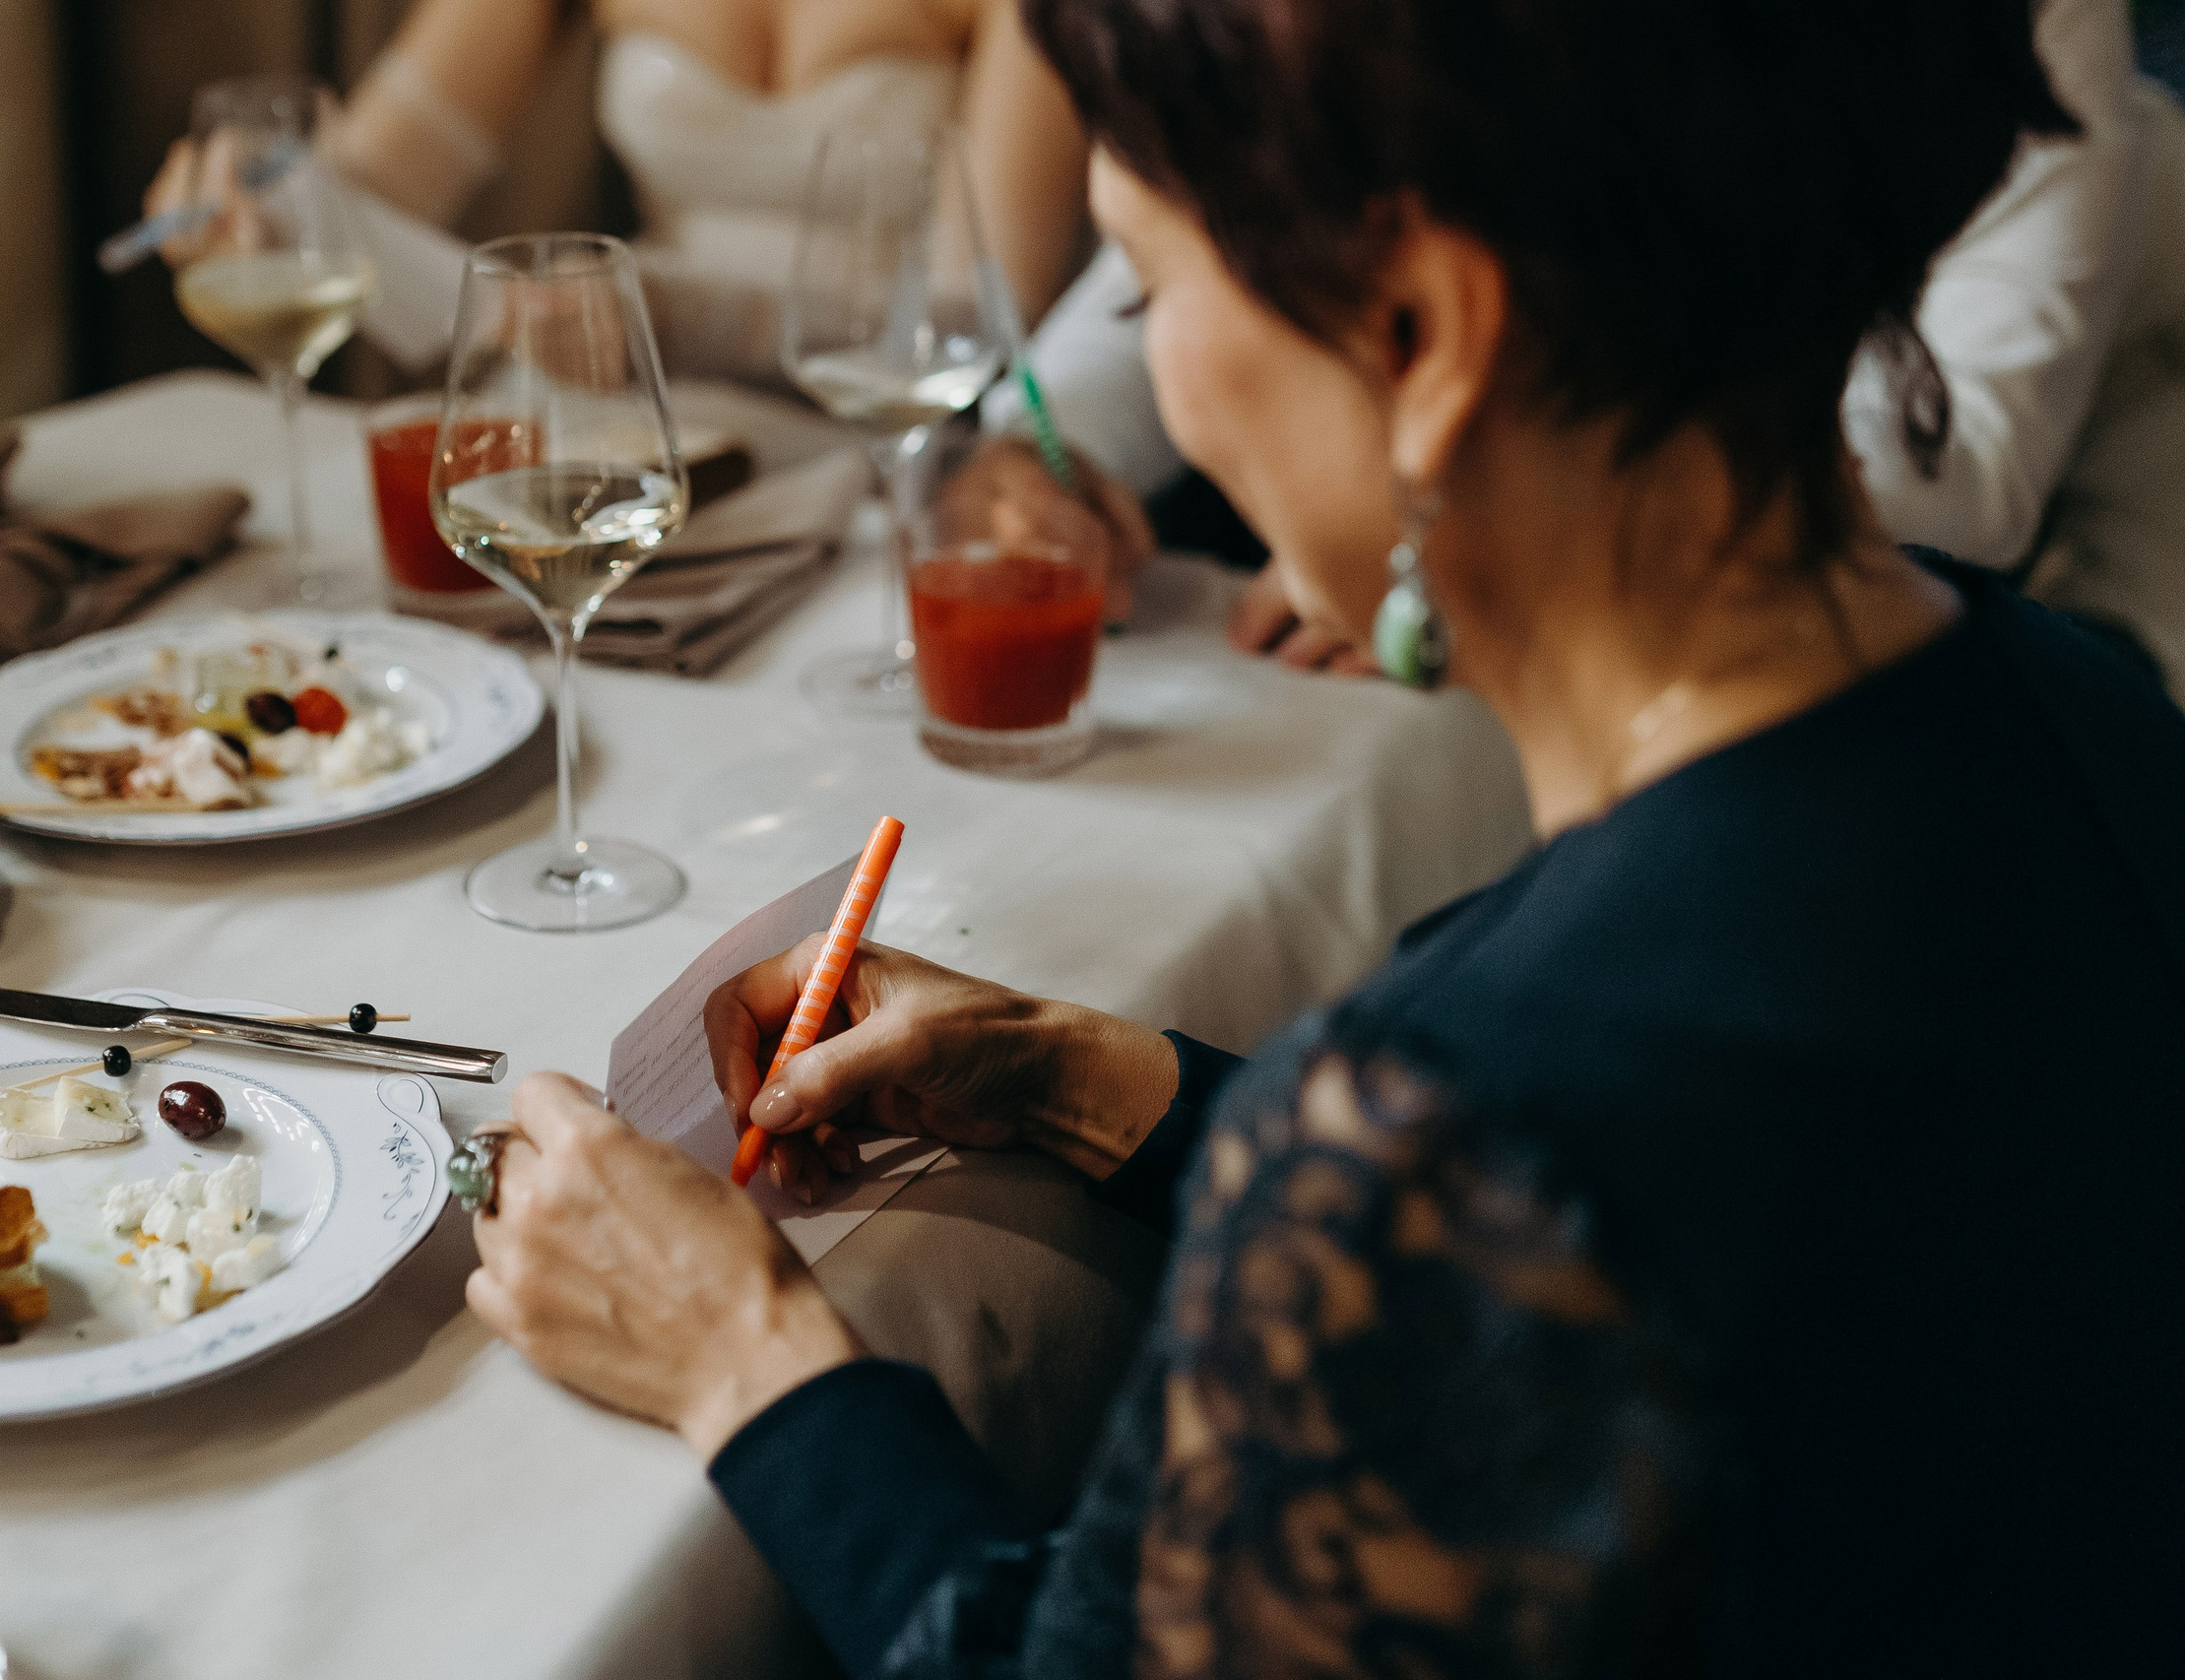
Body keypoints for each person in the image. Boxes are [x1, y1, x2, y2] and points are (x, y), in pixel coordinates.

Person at [458, 0, 2185, 1673]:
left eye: (1149, 286)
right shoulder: (2079, 706)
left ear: (1423, 338)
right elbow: (1629, 1279)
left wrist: (739, 1353)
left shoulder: (1444, 1140)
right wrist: (1078, 1073)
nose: (1160, 379)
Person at [1000, 0, 2185, 692]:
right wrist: (1041, 436)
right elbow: (1255, 202)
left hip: (1966, 590)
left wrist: (1458, 523)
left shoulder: (2012, 32)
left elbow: (1971, 461)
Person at [148, 0, 1095, 377]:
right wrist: (264, 191)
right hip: (643, 449)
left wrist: (683, 319)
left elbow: (988, 315)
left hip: (895, 457)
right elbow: (381, 185)